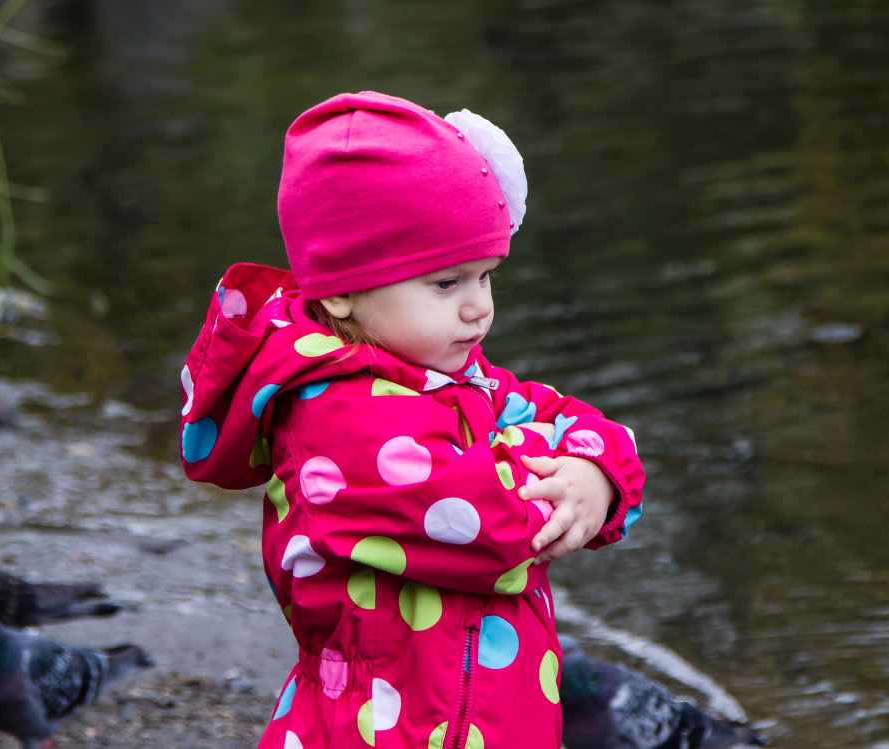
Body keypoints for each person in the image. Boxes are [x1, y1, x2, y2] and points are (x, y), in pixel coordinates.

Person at [178, 91, 645, 749]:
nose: (478, 309)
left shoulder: (455, 380)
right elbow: (498, 529)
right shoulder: (335, 419)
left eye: (486, 276)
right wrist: (561, 464)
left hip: (493, 721)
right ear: (340, 287)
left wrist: (596, 472)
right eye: (446, 283)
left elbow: (591, 426)